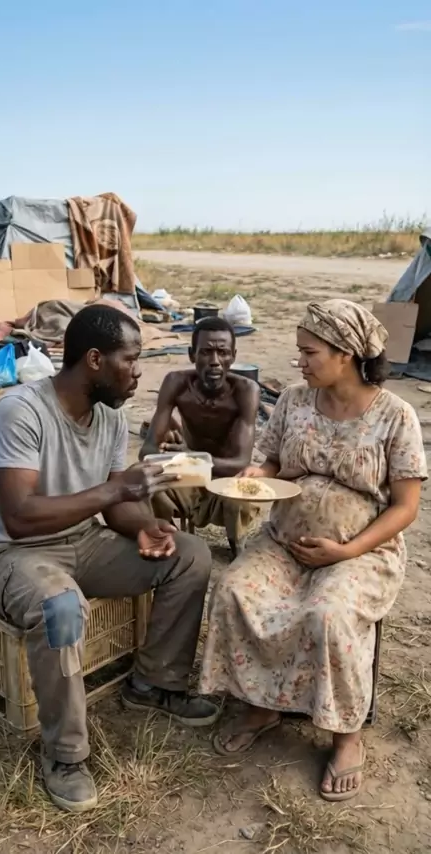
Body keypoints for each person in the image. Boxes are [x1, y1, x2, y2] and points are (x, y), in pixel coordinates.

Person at [0, 304, 218, 815]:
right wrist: (114, 492)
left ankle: (156, 683)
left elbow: (116, 503)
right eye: (131, 359)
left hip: (82, 540)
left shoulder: (110, 415)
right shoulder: (21, 411)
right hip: (10, 553)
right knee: (61, 607)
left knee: (190, 554)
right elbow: (19, 517)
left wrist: (143, 526)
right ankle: (65, 755)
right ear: (95, 360)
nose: (138, 371)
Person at [200, 299, 427, 802]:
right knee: (235, 590)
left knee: (327, 613)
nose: (299, 361)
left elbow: (405, 507)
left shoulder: (396, 416)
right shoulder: (294, 400)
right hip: (284, 541)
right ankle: (262, 705)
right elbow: (273, 462)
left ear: (346, 353)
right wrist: (256, 476)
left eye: (310, 352)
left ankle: (346, 735)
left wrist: (346, 551)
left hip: (363, 551)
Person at [140, 316, 260, 556]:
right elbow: (147, 452)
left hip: (227, 480)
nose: (215, 361)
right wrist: (170, 454)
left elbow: (240, 463)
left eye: (222, 353)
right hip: (189, 478)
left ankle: (237, 545)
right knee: (147, 483)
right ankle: (169, 540)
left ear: (233, 356)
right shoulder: (176, 383)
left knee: (240, 496)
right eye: (205, 352)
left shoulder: (246, 391)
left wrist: (190, 457)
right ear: (191, 355)